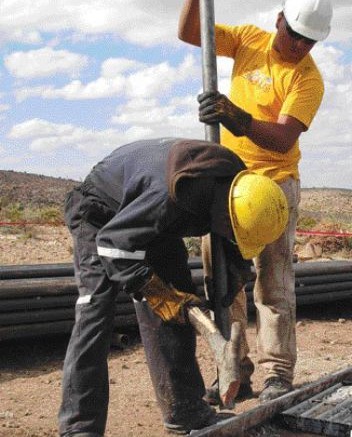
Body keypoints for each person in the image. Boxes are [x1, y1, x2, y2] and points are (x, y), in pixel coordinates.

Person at [58, 137, 289, 436]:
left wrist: (231, 280)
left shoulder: (239, 191)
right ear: (226, 213)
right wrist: (154, 292)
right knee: (96, 310)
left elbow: (235, 237)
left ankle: (186, 412)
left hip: (154, 222)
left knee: (179, 305)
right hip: (101, 213)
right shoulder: (170, 195)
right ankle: (80, 427)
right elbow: (113, 244)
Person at [178, 0, 333, 403]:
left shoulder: (307, 80)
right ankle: (232, 372)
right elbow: (191, 33)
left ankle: (277, 373)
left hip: (274, 187)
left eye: (309, 41)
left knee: (273, 286)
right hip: (228, 184)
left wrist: (237, 118)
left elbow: (283, 138)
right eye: (294, 33)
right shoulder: (249, 40)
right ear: (279, 19)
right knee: (224, 284)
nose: (300, 45)